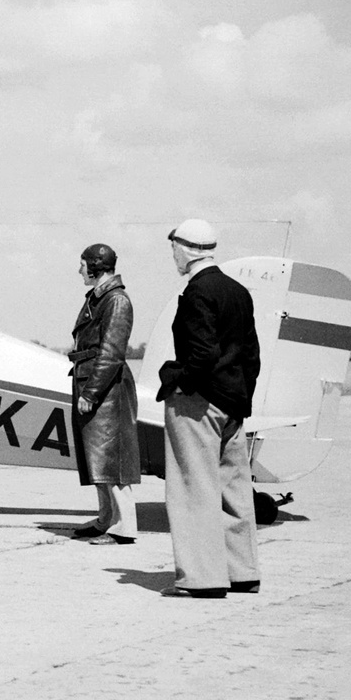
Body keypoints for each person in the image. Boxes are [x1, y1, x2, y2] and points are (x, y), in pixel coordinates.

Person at [156, 218, 262, 599]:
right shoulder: (238, 291)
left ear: (185, 250)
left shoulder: (197, 292)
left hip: (199, 404)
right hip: (233, 403)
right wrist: (239, 398)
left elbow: (201, 354)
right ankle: (242, 573)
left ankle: (203, 579)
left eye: (173, 249)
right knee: (234, 489)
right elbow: (251, 356)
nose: (172, 256)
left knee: (193, 488)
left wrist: (180, 381)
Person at [67, 243, 141, 545]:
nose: (79, 270)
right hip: (93, 382)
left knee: (112, 460)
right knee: (98, 459)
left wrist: (91, 392)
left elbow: (111, 352)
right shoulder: (99, 298)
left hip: (108, 389)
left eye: (82, 264)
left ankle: (124, 527)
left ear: (95, 266)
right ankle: (105, 520)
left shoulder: (116, 300)